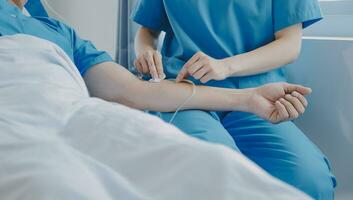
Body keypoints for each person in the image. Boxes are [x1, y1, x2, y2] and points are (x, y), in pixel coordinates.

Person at [132, 0, 336, 199]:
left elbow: (289, 44)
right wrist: (146, 53)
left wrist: (226, 66)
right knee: (213, 169)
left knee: (310, 181)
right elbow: (147, 31)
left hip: (258, 96)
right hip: (186, 95)